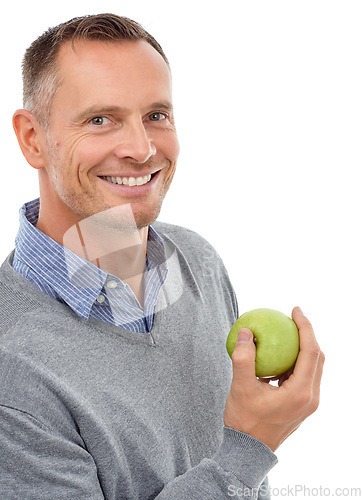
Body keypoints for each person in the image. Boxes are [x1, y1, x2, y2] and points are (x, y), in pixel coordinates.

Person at [0, 13, 324, 499]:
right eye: (100, 120)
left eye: (156, 115)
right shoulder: (12, 369)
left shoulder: (196, 260)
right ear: (33, 139)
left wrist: (256, 421)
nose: (141, 148)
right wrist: (251, 446)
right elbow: (239, 460)